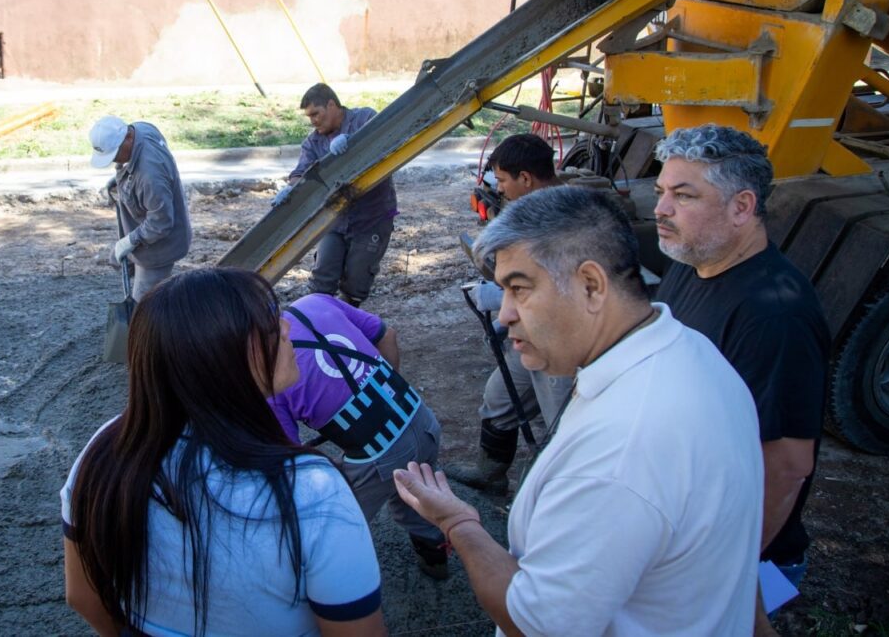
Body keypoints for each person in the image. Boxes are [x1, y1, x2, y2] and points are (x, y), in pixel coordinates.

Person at [394, 186, 764, 636]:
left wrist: (457, 522)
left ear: (591, 285)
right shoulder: (689, 350)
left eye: (519, 289)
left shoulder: (619, 452)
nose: (503, 315)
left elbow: (534, 623)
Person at [61, 268, 386, 636]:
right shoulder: (310, 490)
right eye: (268, 325)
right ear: (222, 361)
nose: (286, 329)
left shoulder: (105, 448)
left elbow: (82, 596)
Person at [652, 125, 830, 621]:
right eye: (661, 192)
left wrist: (723, 570)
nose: (661, 210)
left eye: (683, 196)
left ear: (742, 207)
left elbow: (787, 465)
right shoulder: (692, 260)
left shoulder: (775, 316)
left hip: (737, 560)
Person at [268, 293, 448, 580]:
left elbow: (289, 455)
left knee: (336, 524)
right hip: (419, 415)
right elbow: (386, 335)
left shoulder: (269, 378)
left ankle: (328, 585)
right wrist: (384, 399)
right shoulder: (314, 302)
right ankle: (436, 560)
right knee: (414, 493)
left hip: (377, 455)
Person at [447, 133, 570, 494]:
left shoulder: (562, 220)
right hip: (529, 334)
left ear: (526, 179)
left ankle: (559, 499)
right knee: (500, 398)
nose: (498, 189)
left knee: (562, 424)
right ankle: (491, 474)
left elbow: (557, 289)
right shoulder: (532, 211)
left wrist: (500, 297)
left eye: (502, 181)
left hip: (558, 342)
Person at [283, 83, 398, 307]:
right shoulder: (314, 142)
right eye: (309, 117)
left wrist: (353, 144)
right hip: (334, 221)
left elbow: (383, 143)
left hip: (371, 219)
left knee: (356, 284)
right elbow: (299, 174)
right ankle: (321, 324)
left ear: (332, 104)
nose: (313, 121)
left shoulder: (363, 119)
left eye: (316, 113)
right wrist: (292, 189)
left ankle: (347, 324)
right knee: (322, 281)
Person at [89, 115, 192, 302]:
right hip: (145, 230)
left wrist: (131, 240)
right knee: (117, 260)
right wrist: (124, 181)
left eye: (115, 154)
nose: (114, 161)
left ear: (128, 137)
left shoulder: (150, 175)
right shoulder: (142, 129)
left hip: (159, 248)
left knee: (143, 305)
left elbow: (161, 222)